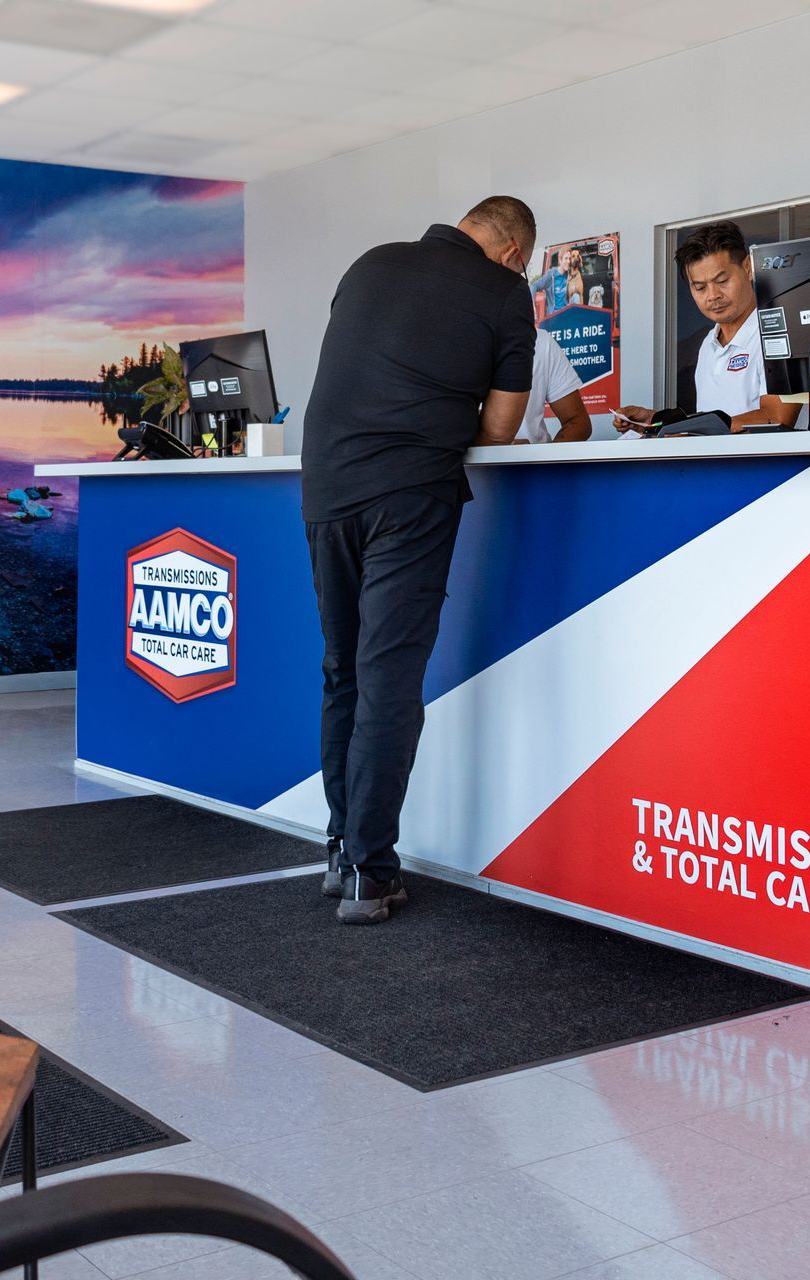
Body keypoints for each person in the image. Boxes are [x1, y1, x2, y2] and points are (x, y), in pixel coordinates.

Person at [301, 196, 537, 924]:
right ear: (514, 253)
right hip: (409, 495)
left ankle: (341, 850)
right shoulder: (505, 291)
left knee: (343, 670)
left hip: (326, 490)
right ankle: (371, 874)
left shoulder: (369, 263)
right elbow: (500, 427)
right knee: (389, 680)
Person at [620, 220, 800, 432]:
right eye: (700, 287)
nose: (713, 295)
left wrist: (681, 429)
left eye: (722, 281)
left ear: (748, 268)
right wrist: (657, 421)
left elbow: (775, 419)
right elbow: (713, 422)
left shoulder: (783, 333)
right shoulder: (708, 344)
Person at [515, 329, 593, 444]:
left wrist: (546, 454)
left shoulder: (540, 340)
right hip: (485, 456)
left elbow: (577, 421)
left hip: (535, 454)